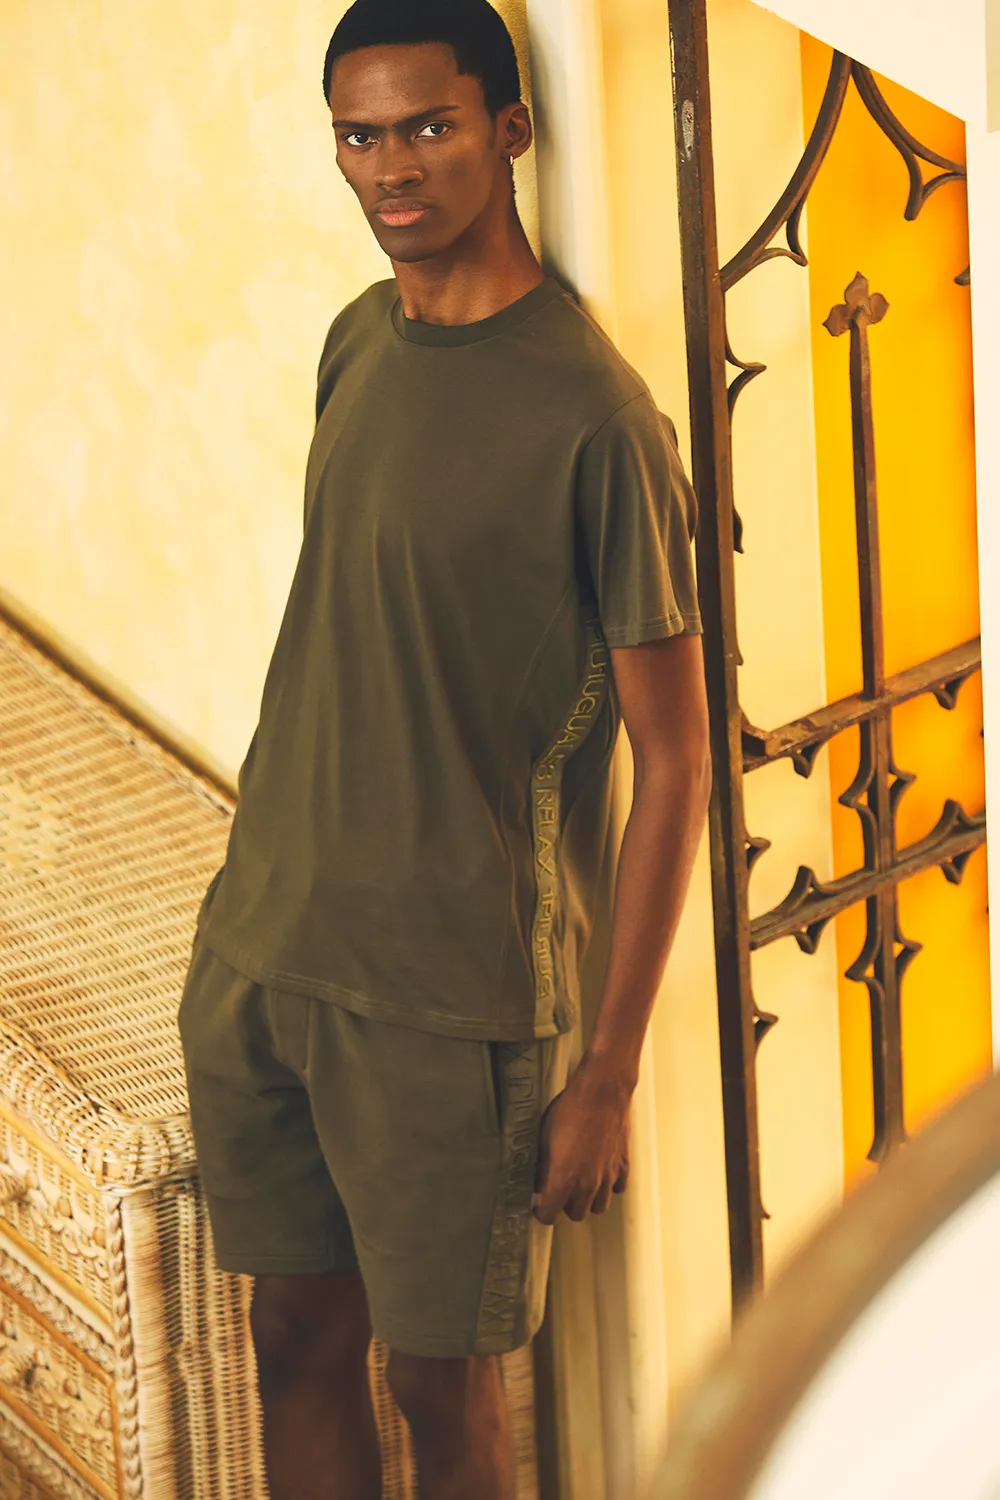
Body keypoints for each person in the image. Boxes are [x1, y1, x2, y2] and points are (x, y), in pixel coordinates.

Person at [176, 1, 712, 1496]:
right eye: (360, 135)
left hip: (449, 1004)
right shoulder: (358, 339)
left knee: (443, 1390)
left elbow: (677, 759)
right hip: (267, 953)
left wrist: (606, 1069)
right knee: (291, 1337)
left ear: (510, 131)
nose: (391, 166)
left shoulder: (599, 422)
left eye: (429, 125)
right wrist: (243, 924)